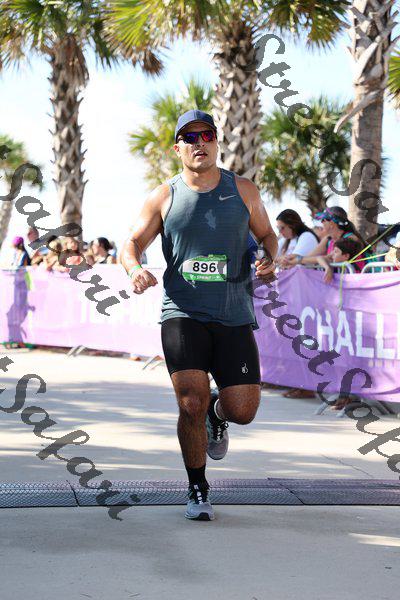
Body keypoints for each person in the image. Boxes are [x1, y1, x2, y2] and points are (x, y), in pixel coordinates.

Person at [121, 109, 277, 521]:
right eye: (189, 138)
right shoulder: (163, 196)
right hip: (182, 312)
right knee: (190, 401)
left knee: (243, 411)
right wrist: (135, 270)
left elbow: (267, 234)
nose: (199, 143)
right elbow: (132, 243)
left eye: (206, 135)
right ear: (178, 149)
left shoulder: (242, 189)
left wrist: (269, 257)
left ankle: (217, 413)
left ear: (216, 142)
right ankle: (197, 487)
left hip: (233, 313)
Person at [286, 206, 367, 269]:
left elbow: (329, 258)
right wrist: (291, 259)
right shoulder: (328, 239)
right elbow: (309, 256)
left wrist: (298, 260)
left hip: (358, 280)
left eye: (323, 220)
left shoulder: (351, 238)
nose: (321, 223)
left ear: (332, 223)